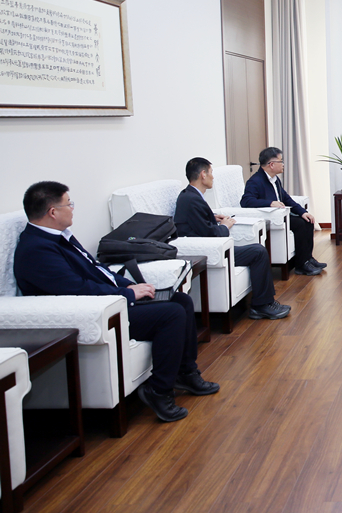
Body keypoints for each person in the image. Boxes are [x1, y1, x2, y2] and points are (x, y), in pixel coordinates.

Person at [13, 181, 219, 423]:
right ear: (52, 212)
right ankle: (159, 391)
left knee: (181, 300)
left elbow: (97, 269)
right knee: (171, 314)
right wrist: (128, 295)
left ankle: (186, 373)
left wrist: (128, 286)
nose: (73, 209)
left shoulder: (60, 237)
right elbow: (77, 289)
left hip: (111, 299)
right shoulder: (36, 250)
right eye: (69, 204)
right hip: (96, 312)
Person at [174, 158, 291, 320]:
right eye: (211, 173)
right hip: (209, 250)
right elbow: (210, 234)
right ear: (203, 174)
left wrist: (213, 217)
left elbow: (198, 222)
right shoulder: (192, 199)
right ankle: (261, 305)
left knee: (258, 251)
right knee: (258, 252)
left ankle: (266, 302)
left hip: (212, 246)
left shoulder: (190, 195)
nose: (213, 177)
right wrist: (225, 226)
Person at [240, 147, 325, 276]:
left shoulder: (275, 180)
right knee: (301, 224)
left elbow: (286, 199)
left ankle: (308, 259)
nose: (283, 164)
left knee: (307, 221)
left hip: (282, 216)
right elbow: (246, 201)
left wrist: (303, 212)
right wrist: (269, 203)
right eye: (281, 161)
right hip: (271, 219)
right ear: (271, 164)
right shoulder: (255, 181)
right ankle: (301, 265)